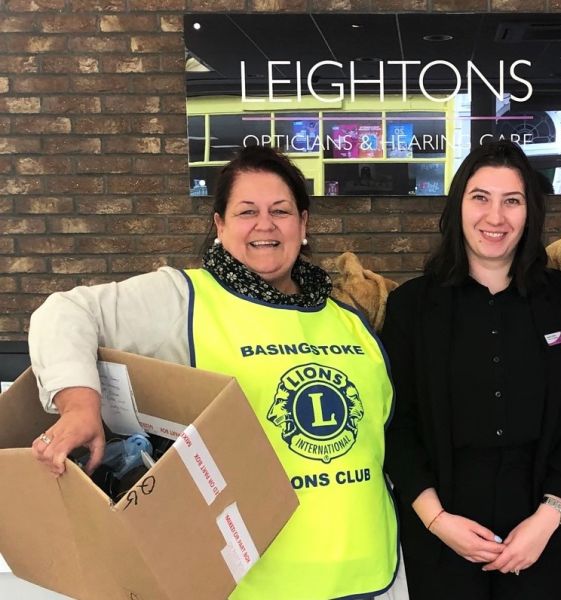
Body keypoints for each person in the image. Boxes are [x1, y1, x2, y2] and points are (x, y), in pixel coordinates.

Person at [28, 145, 403, 600]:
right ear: (219, 225)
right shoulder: (182, 298)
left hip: (364, 573)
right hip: (246, 585)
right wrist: (79, 405)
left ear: (303, 225)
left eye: (281, 211)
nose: (265, 225)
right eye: (247, 211)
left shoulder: (348, 317)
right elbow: (63, 312)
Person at [381, 140, 561, 600]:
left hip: (541, 532)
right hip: (442, 533)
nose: (495, 217)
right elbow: (395, 425)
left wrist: (548, 518)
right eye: (480, 197)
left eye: (512, 201)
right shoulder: (412, 306)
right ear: (458, 204)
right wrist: (437, 522)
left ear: (530, 213)